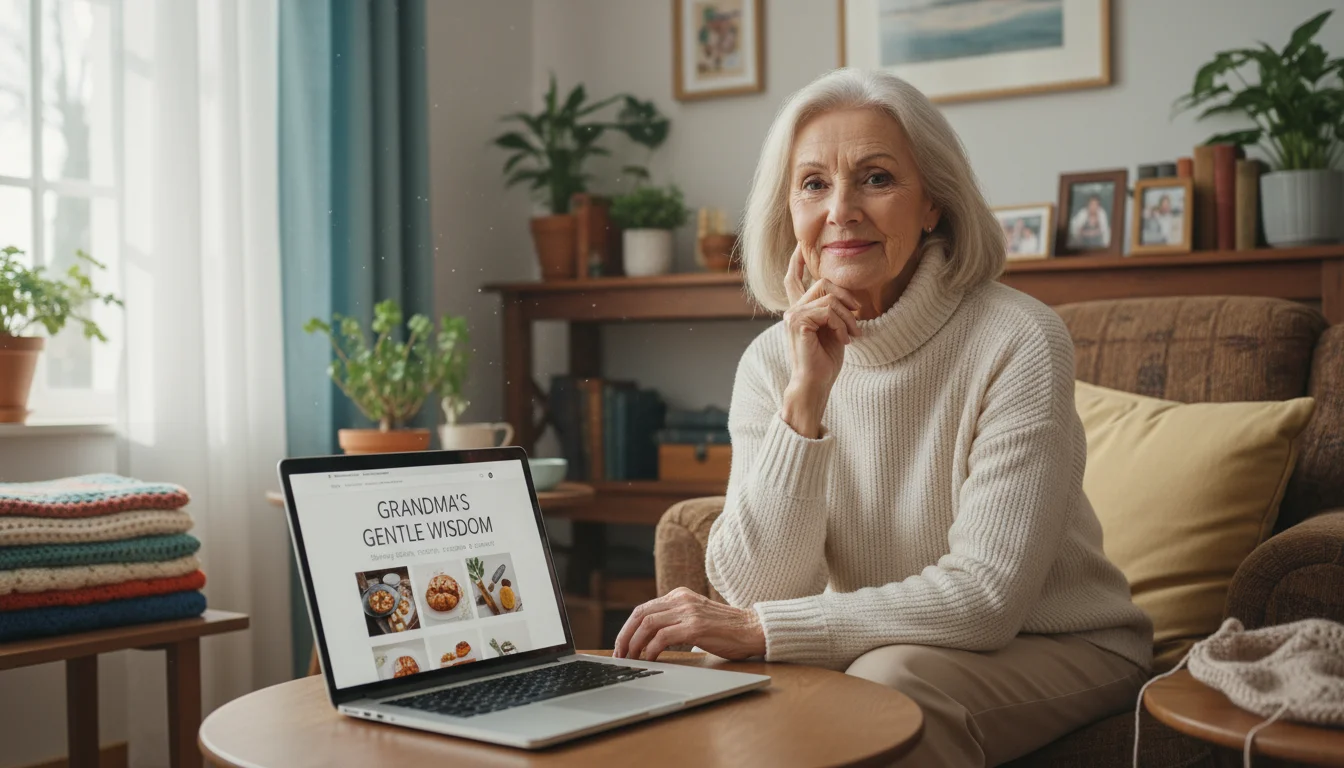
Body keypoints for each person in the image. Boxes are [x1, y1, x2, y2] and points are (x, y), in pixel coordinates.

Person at [613, 68, 1152, 767]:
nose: (841, 209)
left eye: (875, 178)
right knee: (727, 695)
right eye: (813, 183)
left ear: (932, 202)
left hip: (1058, 645)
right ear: (789, 209)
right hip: (875, 642)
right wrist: (805, 399)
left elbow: (987, 597)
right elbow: (759, 588)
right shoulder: (771, 362)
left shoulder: (1020, 339)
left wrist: (764, 628)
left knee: (889, 688)